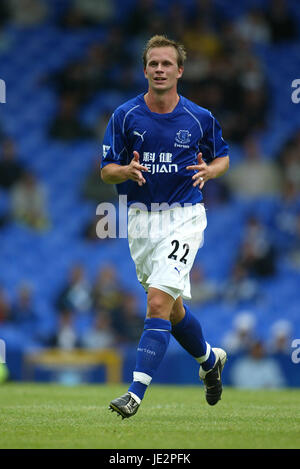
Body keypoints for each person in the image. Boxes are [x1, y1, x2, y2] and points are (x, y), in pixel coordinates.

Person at [101, 35, 229, 419]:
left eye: (167, 64)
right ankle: (209, 360)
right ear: (145, 70)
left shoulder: (199, 117)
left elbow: (222, 157)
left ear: (180, 71)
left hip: (184, 216)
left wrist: (210, 169)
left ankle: (135, 393)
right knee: (171, 310)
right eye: (153, 64)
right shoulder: (124, 116)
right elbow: (106, 171)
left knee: (155, 302)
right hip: (141, 220)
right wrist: (125, 171)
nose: (160, 69)